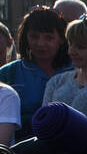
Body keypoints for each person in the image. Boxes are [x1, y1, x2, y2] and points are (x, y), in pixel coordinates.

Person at [0, 7, 74, 139]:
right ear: (25, 37)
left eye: (49, 38)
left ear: (62, 38)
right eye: (34, 36)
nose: (40, 43)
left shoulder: (77, 71)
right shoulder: (8, 73)